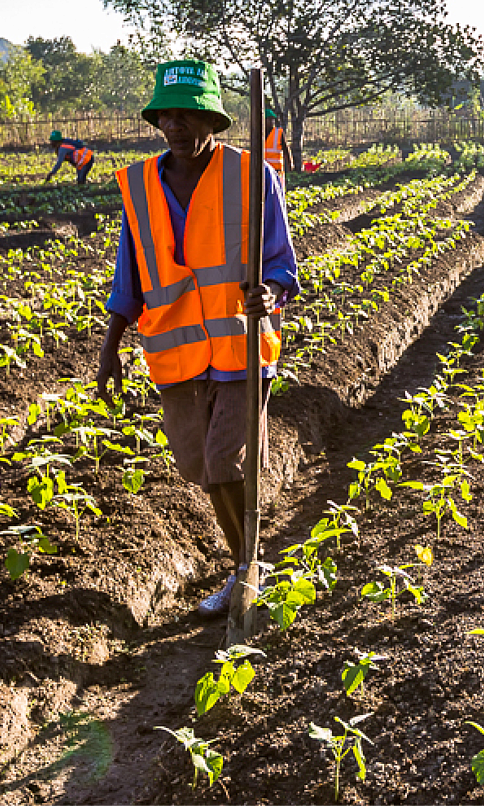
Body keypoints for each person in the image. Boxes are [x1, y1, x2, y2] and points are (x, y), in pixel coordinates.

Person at [94, 59, 300, 620]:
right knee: (202, 468)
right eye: (167, 116)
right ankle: (246, 564)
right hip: (175, 354)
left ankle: (247, 572)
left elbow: (282, 264)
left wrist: (270, 295)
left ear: (212, 119)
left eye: (188, 115)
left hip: (239, 349)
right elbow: (128, 273)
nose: (176, 126)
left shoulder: (254, 175)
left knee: (224, 460)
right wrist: (110, 350)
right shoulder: (139, 185)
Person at [262, 107, 286, 178]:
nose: (272, 122)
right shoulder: (258, 134)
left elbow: (286, 150)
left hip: (276, 169)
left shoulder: (278, 133)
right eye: (269, 119)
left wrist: (290, 165)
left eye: (273, 119)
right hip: (263, 169)